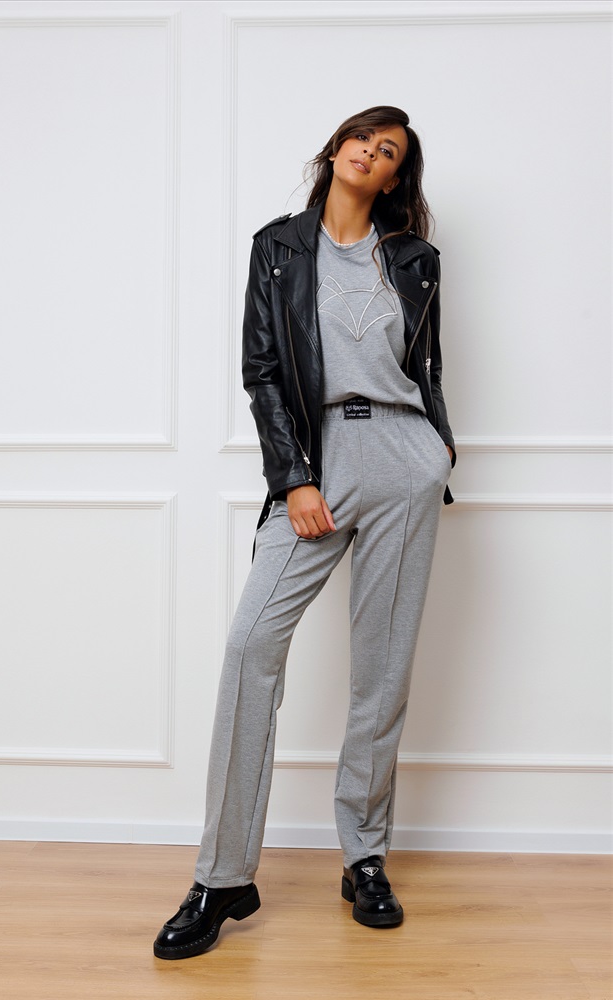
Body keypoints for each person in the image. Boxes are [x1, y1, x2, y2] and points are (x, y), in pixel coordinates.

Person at [153, 105, 456, 960]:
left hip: (402, 458)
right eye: (362, 137)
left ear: (393, 178)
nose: (370, 152)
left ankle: (364, 857)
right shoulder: (279, 247)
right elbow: (261, 371)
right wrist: (293, 478)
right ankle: (222, 875)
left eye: (387, 150)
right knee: (251, 645)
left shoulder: (415, 259)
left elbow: (425, 364)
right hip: (316, 458)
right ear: (336, 149)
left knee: (381, 668)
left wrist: (436, 448)